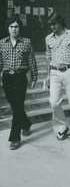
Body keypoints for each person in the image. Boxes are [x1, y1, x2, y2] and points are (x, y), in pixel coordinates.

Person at [0, 15, 38, 150]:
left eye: (16, 26)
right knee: (16, 106)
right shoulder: (2, 43)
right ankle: (26, 123)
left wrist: (34, 78)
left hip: (20, 77)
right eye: (11, 27)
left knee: (17, 106)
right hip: (7, 78)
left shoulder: (26, 42)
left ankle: (15, 138)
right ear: (7, 28)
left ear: (19, 28)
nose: (14, 29)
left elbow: (32, 61)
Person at [45, 13, 70, 140]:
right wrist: (47, 74)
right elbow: (48, 56)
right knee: (53, 102)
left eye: (54, 23)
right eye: (50, 24)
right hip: (54, 72)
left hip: (69, 70)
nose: (52, 27)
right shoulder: (48, 38)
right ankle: (62, 127)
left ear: (60, 22)